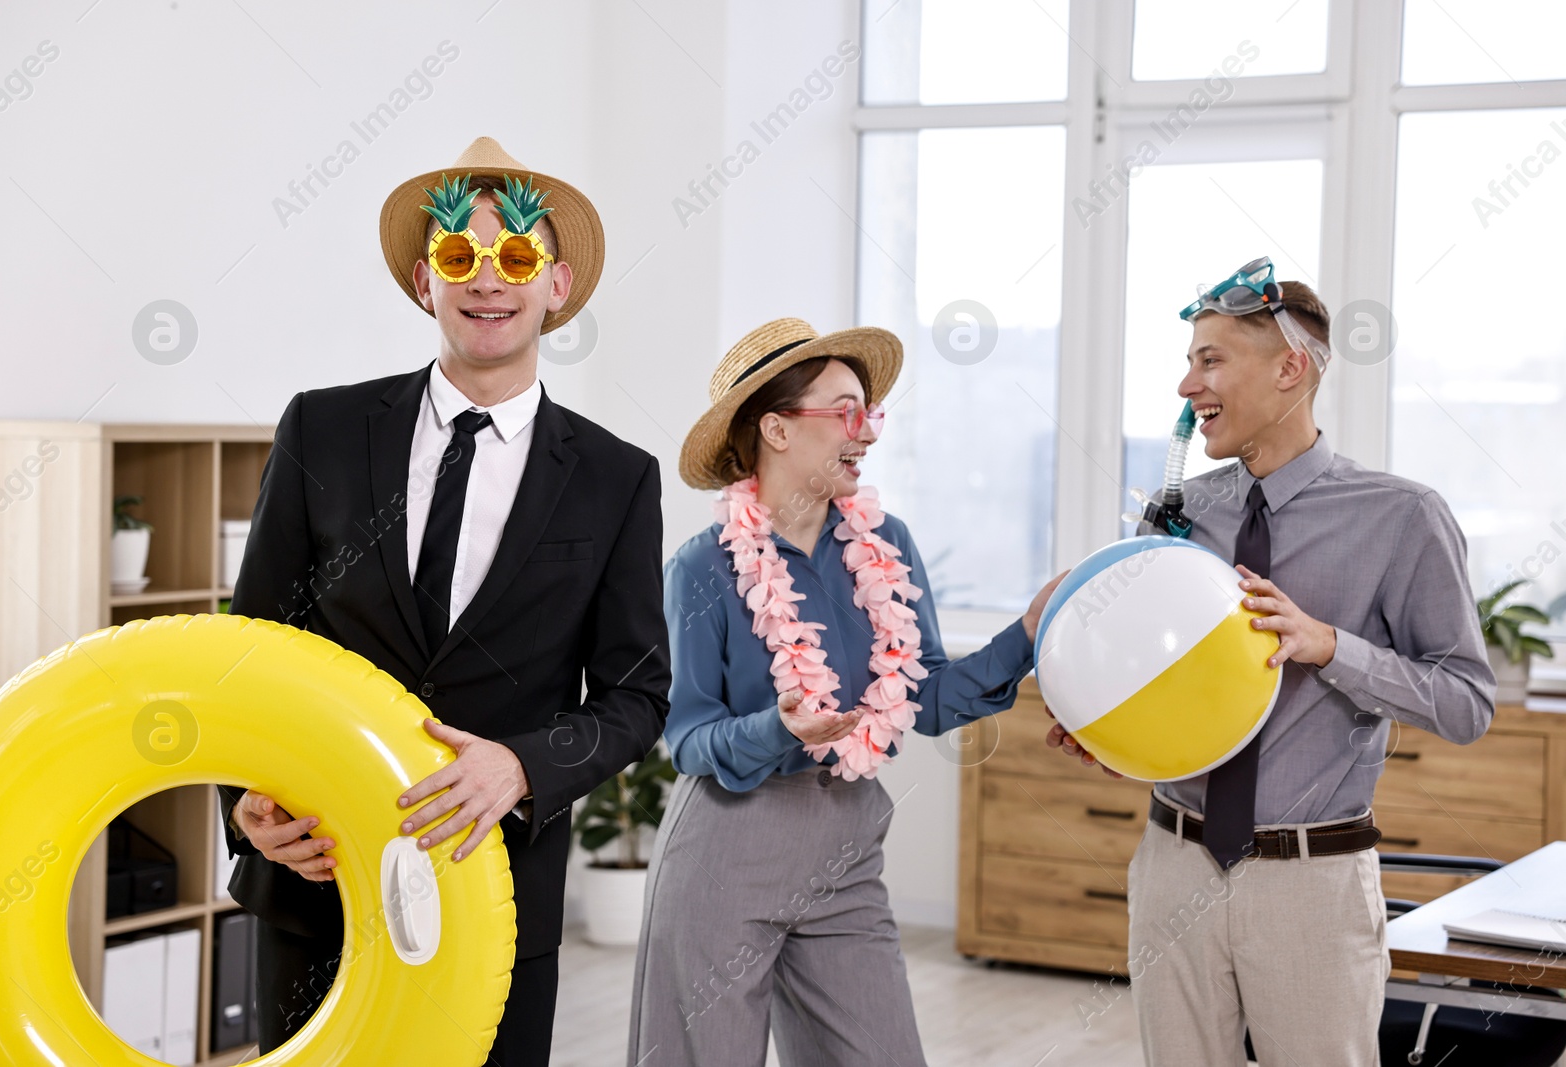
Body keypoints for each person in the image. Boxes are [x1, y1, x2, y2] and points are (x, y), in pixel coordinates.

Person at [216, 136, 670, 1065]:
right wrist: (245, 803)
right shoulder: (324, 427)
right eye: (461, 256)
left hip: (495, 893)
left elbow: (637, 696)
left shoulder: (616, 479)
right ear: (427, 280)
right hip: (319, 877)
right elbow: (251, 644)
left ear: (558, 284)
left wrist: (522, 766)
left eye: (517, 258)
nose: (487, 281)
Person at [1047, 258, 1496, 1066]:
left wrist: (1332, 647)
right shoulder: (1179, 515)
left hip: (1310, 884)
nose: (1188, 385)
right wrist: (1111, 730)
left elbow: (1467, 702)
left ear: (1292, 369)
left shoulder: (1402, 517)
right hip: (1172, 862)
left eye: (1210, 359)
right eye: (1190, 361)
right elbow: (1156, 671)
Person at [627, 318, 1062, 1065]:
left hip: (846, 847)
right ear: (777, 429)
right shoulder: (703, 566)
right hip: (726, 853)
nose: (867, 432)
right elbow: (689, 737)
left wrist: (1024, 635)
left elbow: (924, 699)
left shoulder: (886, 543)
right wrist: (779, 728)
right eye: (845, 411)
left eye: (870, 412)